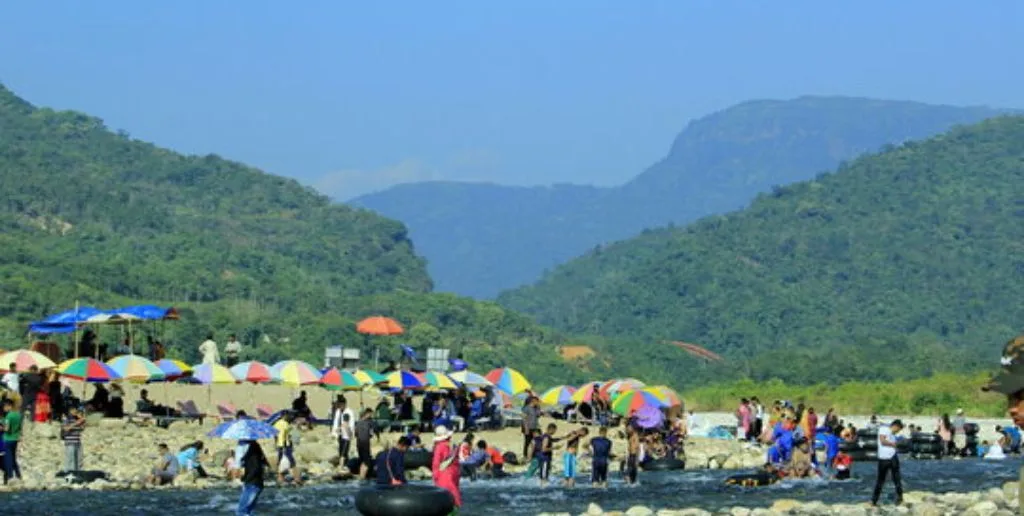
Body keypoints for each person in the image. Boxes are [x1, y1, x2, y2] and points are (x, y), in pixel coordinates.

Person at [870, 419, 904, 507]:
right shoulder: (884, 429)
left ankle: (900, 497)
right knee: (880, 480)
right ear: (895, 426)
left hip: (893, 456)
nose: (898, 431)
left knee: (896, 478)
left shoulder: (892, 434)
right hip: (884, 458)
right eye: (898, 429)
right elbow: (882, 440)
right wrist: (893, 444)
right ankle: (874, 500)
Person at [431, 425, 462, 508]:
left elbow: (436, 463)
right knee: (455, 494)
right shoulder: (452, 446)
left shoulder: (439, 447)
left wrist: (435, 475)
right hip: (454, 472)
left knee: (444, 496)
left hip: (444, 474)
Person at [237, 439, 270, 516]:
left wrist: (246, 479)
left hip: (252, 484)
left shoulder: (252, 453)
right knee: (248, 511)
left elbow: (255, 468)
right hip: (256, 484)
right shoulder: (256, 451)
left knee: (241, 511)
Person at [273, 412, 300, 485]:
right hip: (285, 445)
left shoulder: (276, 423)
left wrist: (276, 444)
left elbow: (275, 435)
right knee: (292, 462)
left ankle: (280, 479)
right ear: (284, 416)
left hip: (279, 445)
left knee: (279, 461)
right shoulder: (285, 424)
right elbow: (285, 435)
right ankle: (297, 478)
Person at [1, 397, 22, 484]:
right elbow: (20, 428)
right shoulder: (18, 414)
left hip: (7, 439)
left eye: (4, 407)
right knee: (13, 458)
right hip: (15, 439)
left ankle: (10, 476)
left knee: (8, 459)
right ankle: (18, 475)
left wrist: (2, 428)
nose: (4, 409)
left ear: (8, 406)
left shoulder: (9, 416)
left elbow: (7, 429)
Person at [61, 406, 86, 472]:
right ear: (70, 411)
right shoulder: (66, 418)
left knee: (79, 459)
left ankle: (79, 472)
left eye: (76, 410)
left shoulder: (77, 418)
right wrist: (76, 423)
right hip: (70, 442)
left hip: (78, 442)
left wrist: (82, 420)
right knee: (70, 459)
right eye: (74, 410)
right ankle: (69, 472)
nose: (75, 411)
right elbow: (66, 428)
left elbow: (82, 428)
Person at [354, 408, 375, 479]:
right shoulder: (369, 423)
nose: (372, 416)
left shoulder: (358, 422)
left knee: (362, 460)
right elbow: (371, 433)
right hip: (365, 443)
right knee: (367, 462)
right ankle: (362, 477)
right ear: (368, 414)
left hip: (359, 443)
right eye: (371, 414)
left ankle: (361, 475)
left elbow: (356, 433)